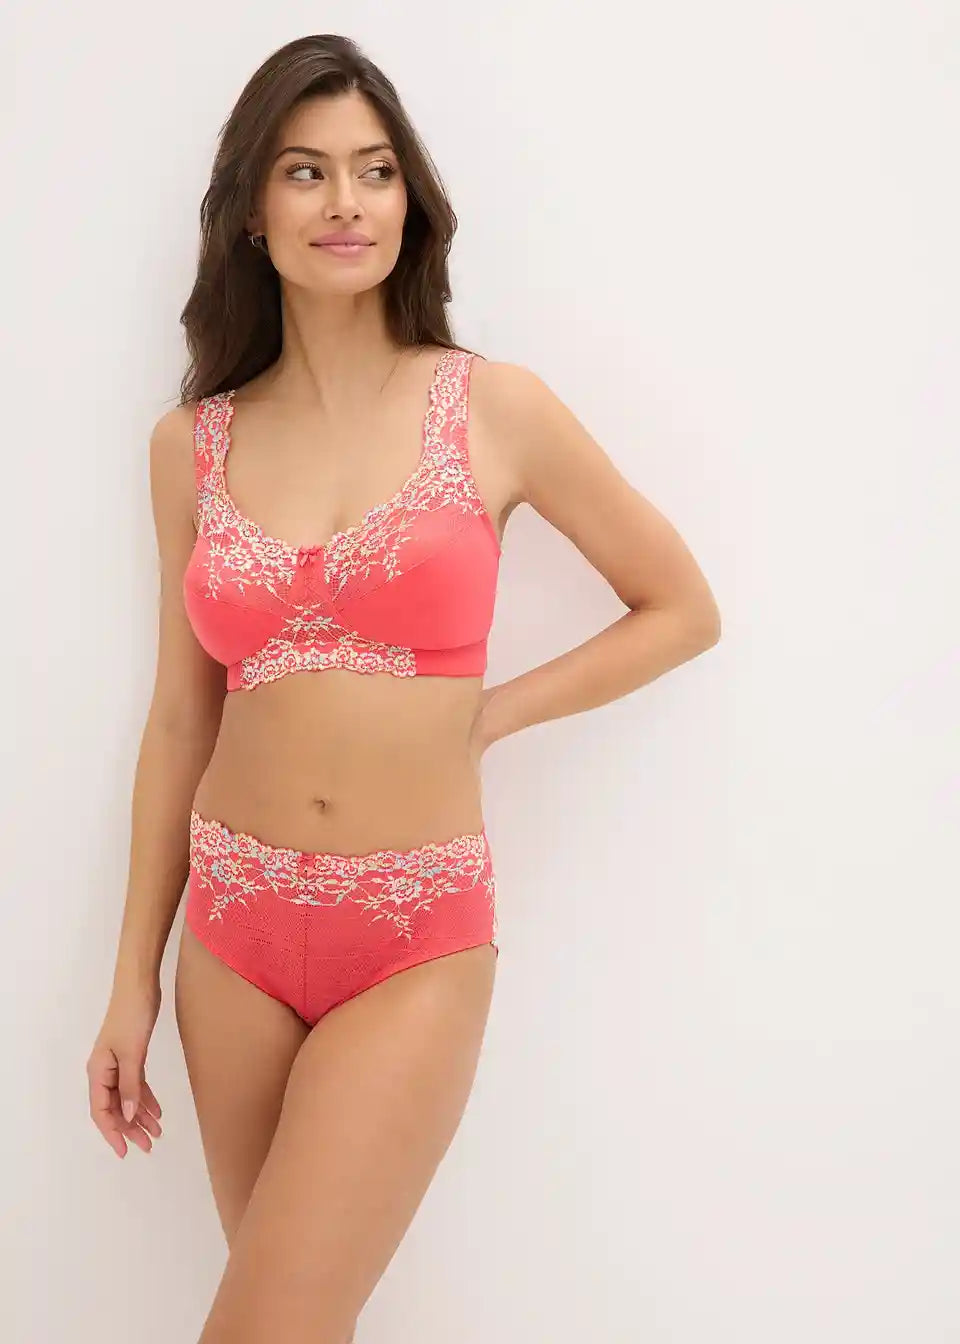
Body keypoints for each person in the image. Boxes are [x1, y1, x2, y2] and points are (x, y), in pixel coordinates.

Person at [85, 32, 721, 1344]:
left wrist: (487, 716)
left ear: (410, 201)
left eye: (375, 171)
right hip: (233, 936)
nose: (347, 202)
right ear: (252, 210)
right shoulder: (190, 445)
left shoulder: (493, 408)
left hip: (412, 936)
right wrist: (131, 978)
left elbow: (679, 608)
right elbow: (180, 719)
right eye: (306, 171)